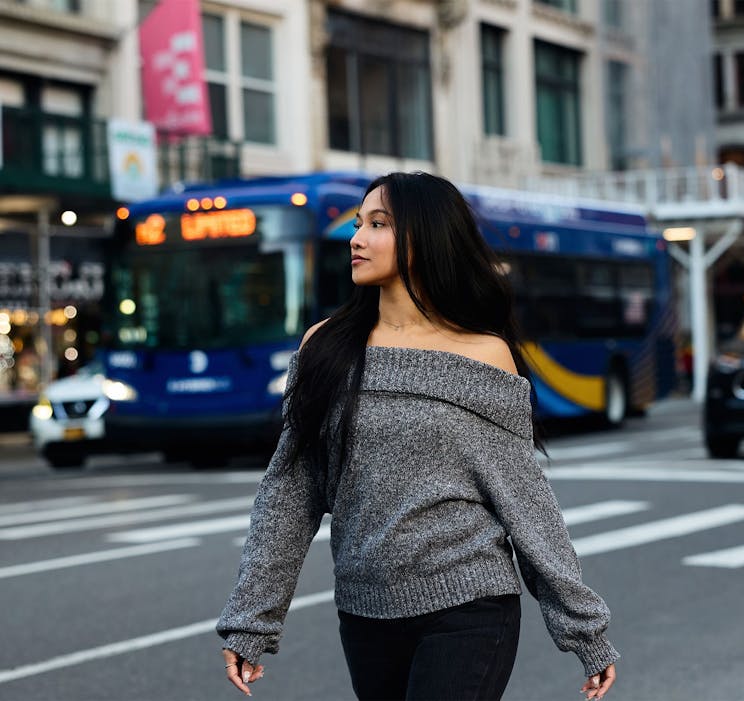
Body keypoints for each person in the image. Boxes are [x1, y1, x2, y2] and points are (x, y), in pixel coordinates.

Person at [217, 171, 619, 700]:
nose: (357, 238)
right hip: (365, 611)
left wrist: (583, 630)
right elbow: (289, 494)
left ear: (425, 237)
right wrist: (252, 619)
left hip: (470, 606)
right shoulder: (327, 347)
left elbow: (526, 502)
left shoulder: (483, 353)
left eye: (378, 224)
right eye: (359, 224)